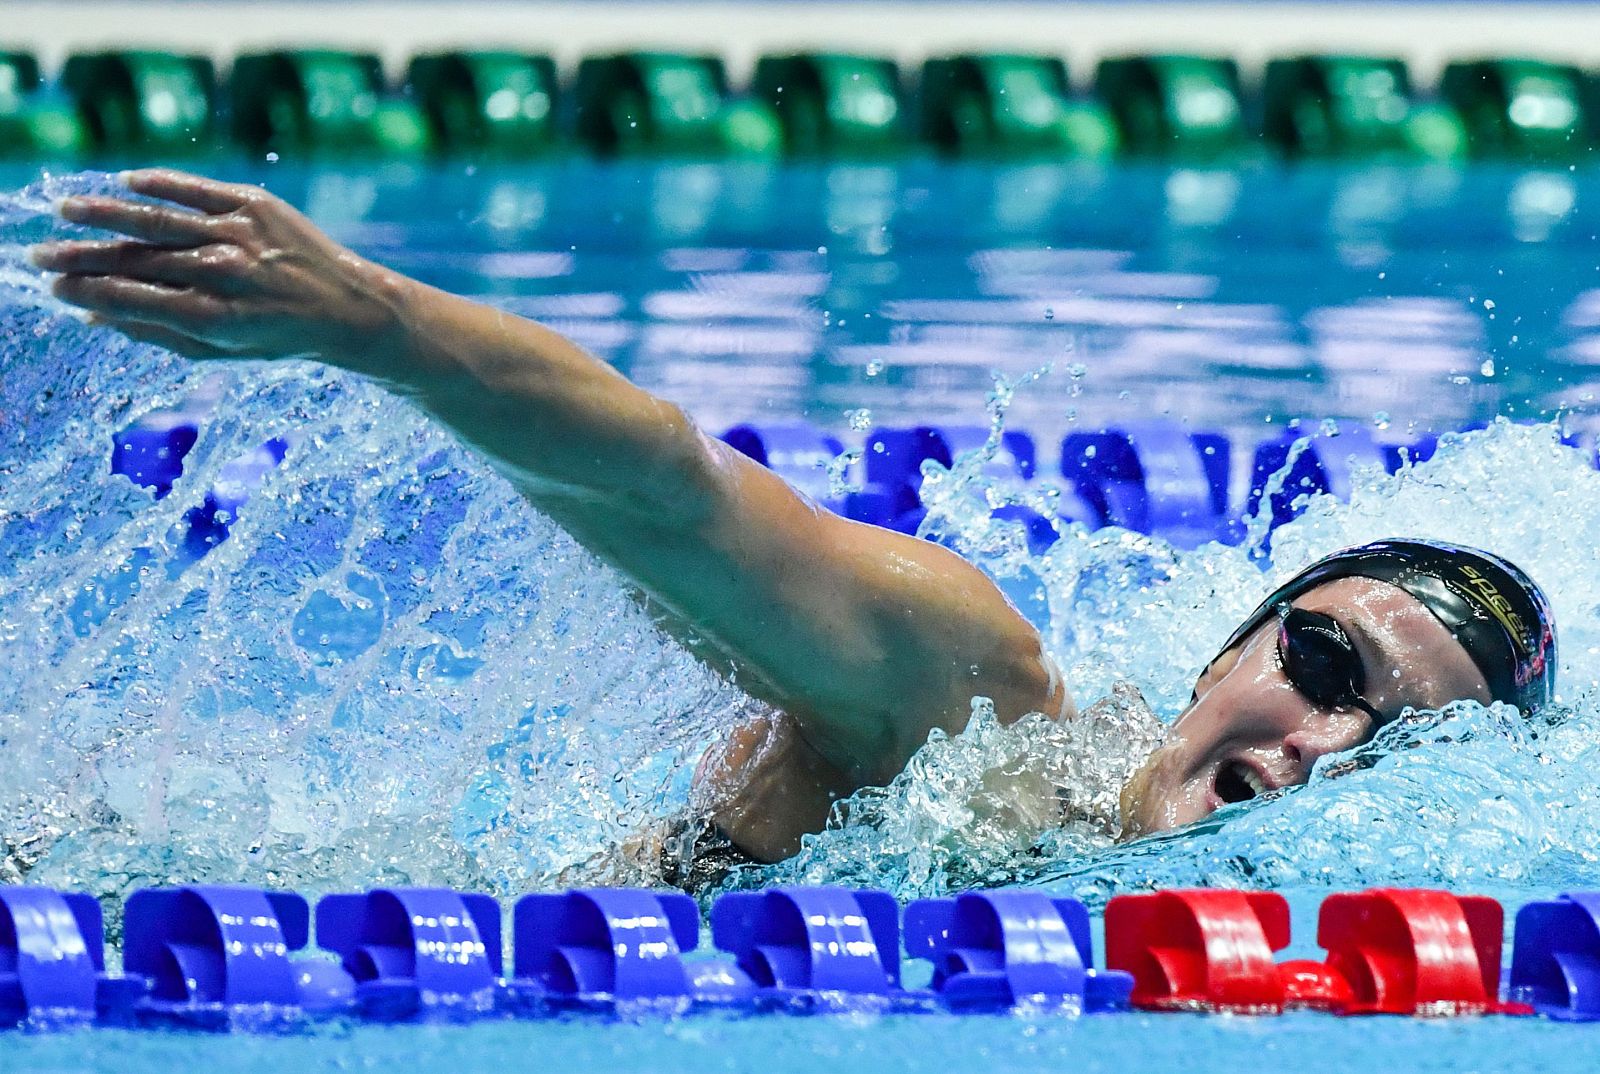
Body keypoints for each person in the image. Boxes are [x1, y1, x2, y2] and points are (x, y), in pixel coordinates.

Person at [29, 170, 1559, 881]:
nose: (1320, 749)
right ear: (1232, 645)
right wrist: (373, 319)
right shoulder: (972, 719)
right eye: (1327, 668)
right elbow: (680, 492)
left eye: (1397, 746)